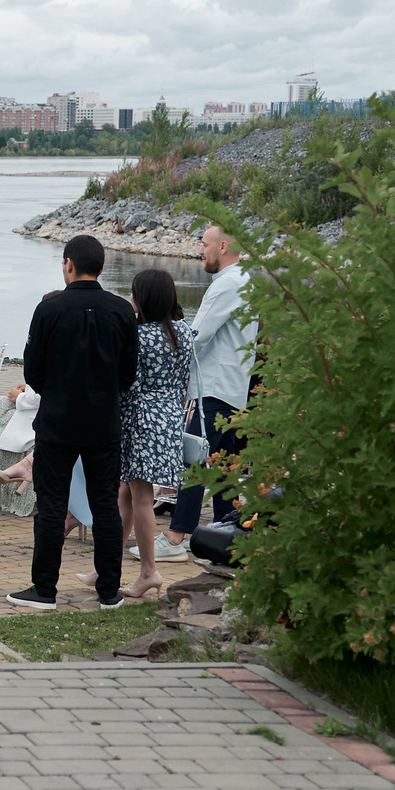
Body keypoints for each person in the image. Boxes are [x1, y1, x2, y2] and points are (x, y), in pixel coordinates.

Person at [6, 234, 138, 610]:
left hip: (58, 422)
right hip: (103, 422)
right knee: (105, 505)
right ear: (102, 266)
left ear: (68, 264)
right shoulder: (121, 311)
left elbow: (34, 369)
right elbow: (128, 372)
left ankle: (45, 589)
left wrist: (60, 390)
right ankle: (109, 590)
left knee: (51, 504)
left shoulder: (49, 310)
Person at [163, 224, 256, 556]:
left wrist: (169, 362)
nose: (199, 250)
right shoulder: (246, 280)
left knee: (195, 460)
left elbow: (197, 337)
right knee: (224, 465)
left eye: (204, 244)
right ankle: (226, 531)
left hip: (214, 386)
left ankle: (176, 536)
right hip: (234, 386)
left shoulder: (226, 285)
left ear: (223, 246)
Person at [116, 268, 197, 600]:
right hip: (170, 417)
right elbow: (184, 380)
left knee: (141, 499)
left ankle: (148, 571)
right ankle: (106, 564)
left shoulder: (139, 336)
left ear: (142, 297)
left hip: (142, 418)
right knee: (126, 495)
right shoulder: (183, 332)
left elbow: (129, 386)